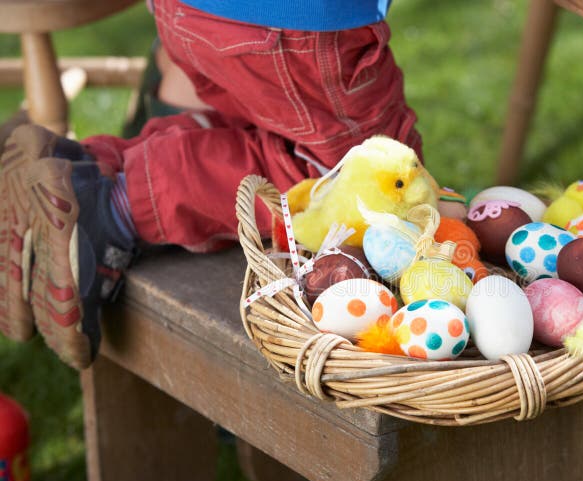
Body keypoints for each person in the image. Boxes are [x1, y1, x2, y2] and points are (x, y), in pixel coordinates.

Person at [0, 0, 423, 369]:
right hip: (296, 20)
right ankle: (114, 207)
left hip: (188, 10)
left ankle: (90, 165)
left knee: (263, 119)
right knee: (365, 182)